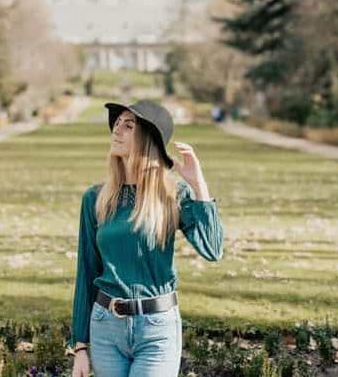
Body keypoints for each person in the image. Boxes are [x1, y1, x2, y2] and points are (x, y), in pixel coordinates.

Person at [69, 100, 224, 377]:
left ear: (148, 140)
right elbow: (87, 270)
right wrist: (80, 346)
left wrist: (198, 184)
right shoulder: (95, 198)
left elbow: (212, 249)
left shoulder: (173, 195)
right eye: (117, 123)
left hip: (157, 329)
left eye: (128, 126)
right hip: (105, 328)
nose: (117, 130)